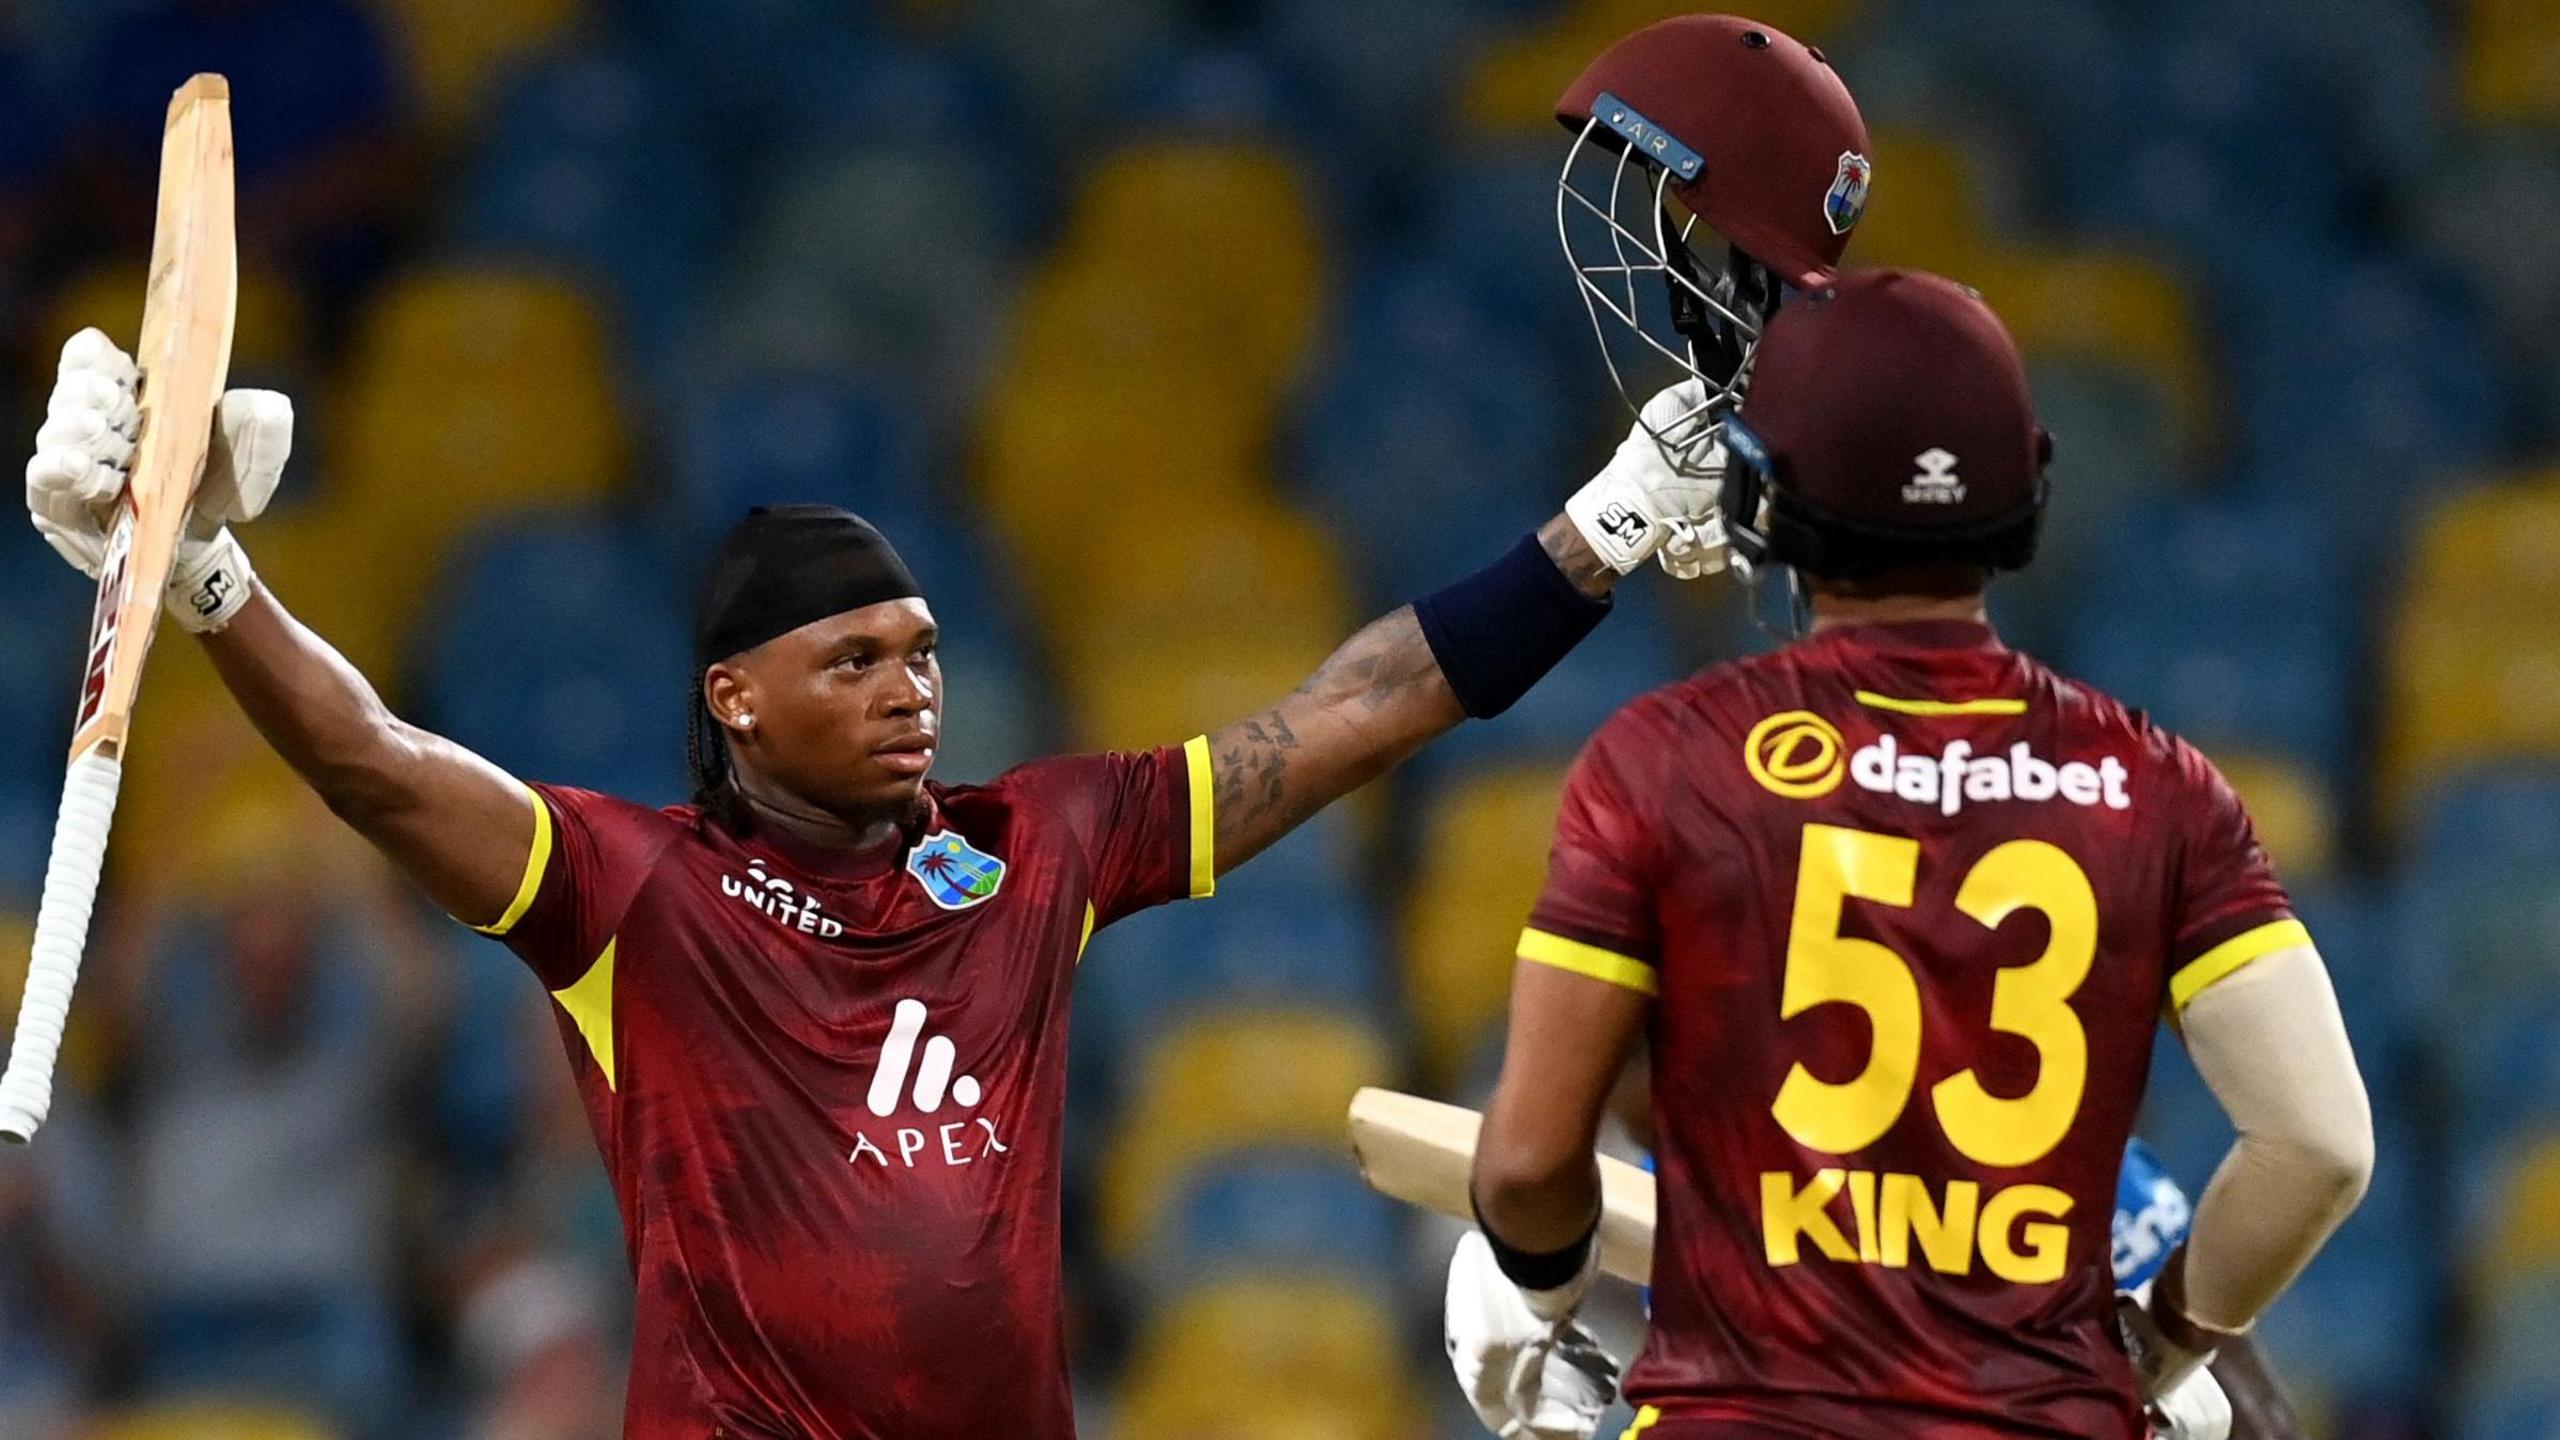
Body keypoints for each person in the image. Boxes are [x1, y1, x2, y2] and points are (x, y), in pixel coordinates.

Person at [16, 315, 1711, 1433]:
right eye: (853, 661)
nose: (911, 687)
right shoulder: (633, 894)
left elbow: (1351, 710)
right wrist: (212, 573)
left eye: (921, 651)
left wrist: (1609, 523)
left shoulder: (1031, 844)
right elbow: (374, 763)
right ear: (732, 698)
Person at [1445, 269, 2373, 1439]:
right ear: (2026, 491)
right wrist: (2159, 1346)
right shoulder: (2163, 788)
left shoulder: (1664, 762)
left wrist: (1530, 1299)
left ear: (1764, 493)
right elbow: (2318, 1144)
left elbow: (1529, 1165)